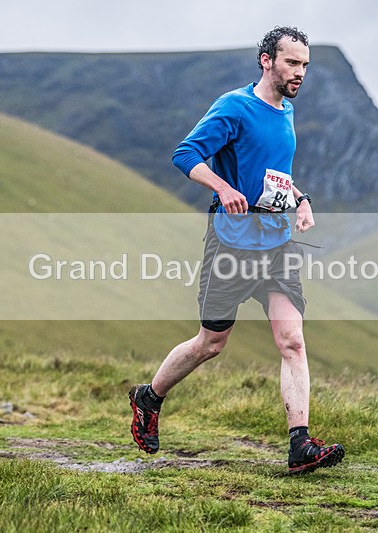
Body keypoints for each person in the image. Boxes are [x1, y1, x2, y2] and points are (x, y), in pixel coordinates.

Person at [129, 26, 344, 475]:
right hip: (231, 244)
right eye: (292, 63)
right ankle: (149, 397)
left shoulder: (285, 111)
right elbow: (185, 154)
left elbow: (273, 176)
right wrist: (224, 188)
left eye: (305, 64)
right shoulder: (234, 107)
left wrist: (300, 200)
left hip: (276, 245)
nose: (300, 72)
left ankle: (299, 445)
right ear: (267, 60)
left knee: (292, 340)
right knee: (211, 342)